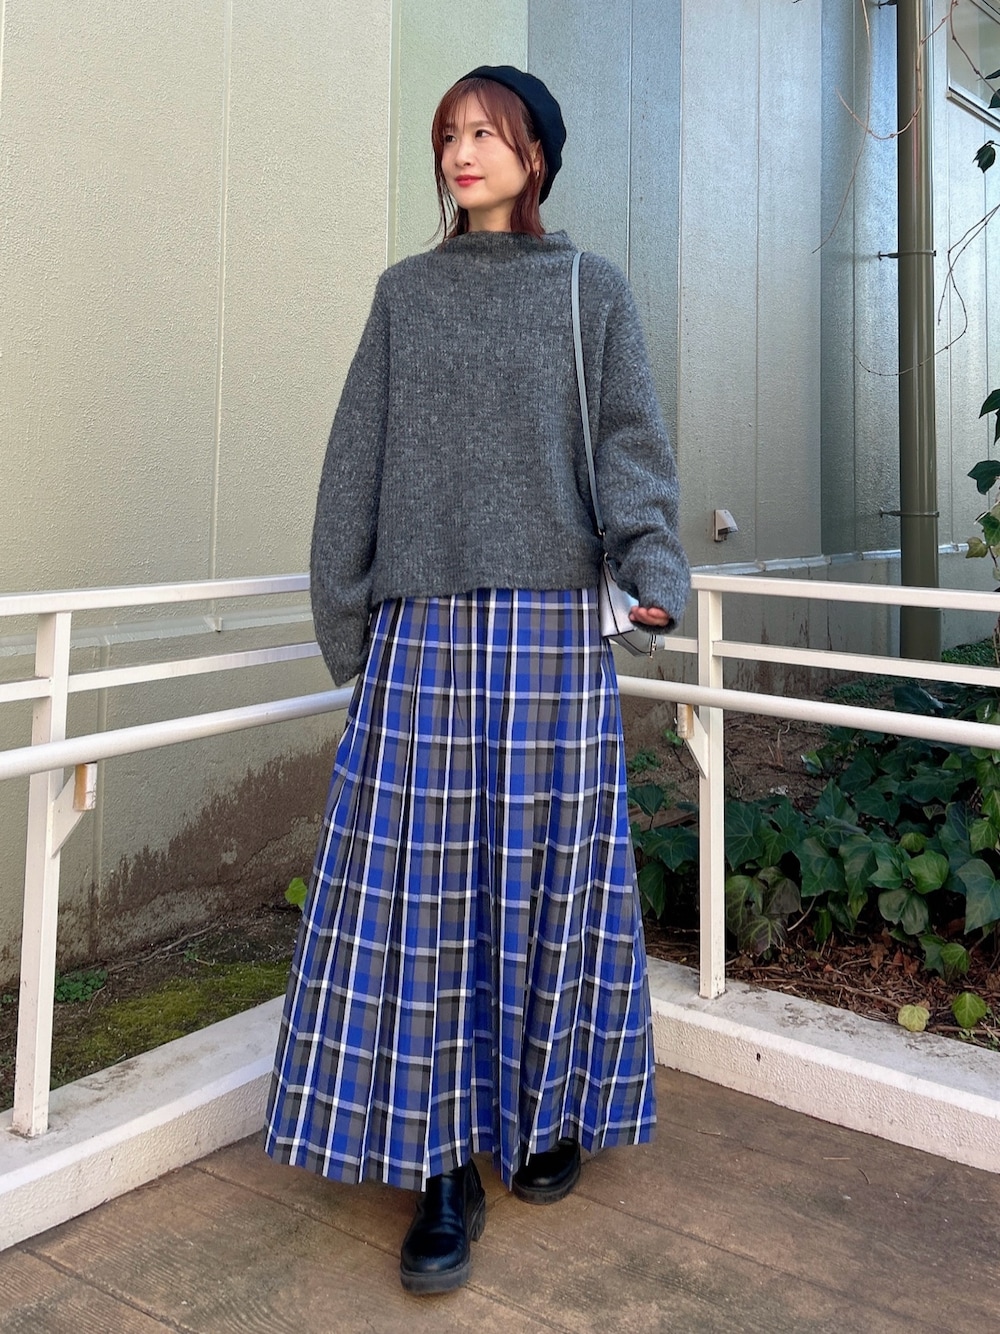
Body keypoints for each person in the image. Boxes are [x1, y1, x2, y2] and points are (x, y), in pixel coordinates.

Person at [264, 65, 690, 1295]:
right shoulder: (405, 296)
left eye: (487, 133)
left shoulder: (587, 290)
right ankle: (440, 1165)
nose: (461, 152)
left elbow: (630, 451)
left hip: (553, 631)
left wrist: (653, 572)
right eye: (448, 134)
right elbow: (353, 466)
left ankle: (547, 1111)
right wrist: (350, 628)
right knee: (420, 902)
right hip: (425, 637)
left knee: (556, 881)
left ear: (535, 154)